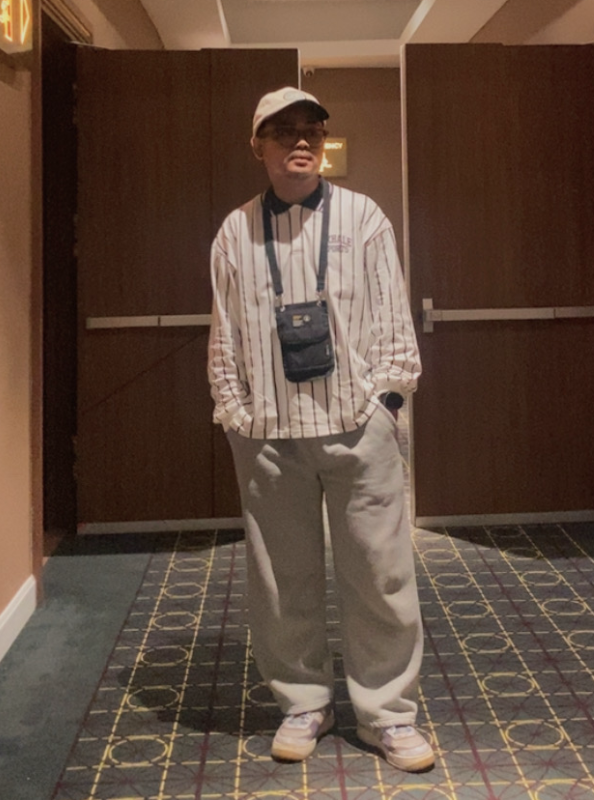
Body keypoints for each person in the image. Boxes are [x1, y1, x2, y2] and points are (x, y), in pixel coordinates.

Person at [207, 87, 433, 772]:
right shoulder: (234, 231)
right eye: (283, 131)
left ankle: (388, 713)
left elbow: (393, 319)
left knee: (380, 575)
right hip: (268, 433)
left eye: (312, 129)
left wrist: (384, 403)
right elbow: (224, 333)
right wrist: (236, 415)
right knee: (282, 580)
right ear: (258, 146)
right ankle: (303, 702)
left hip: (356, 428)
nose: (300, 141)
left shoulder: (364, 217)